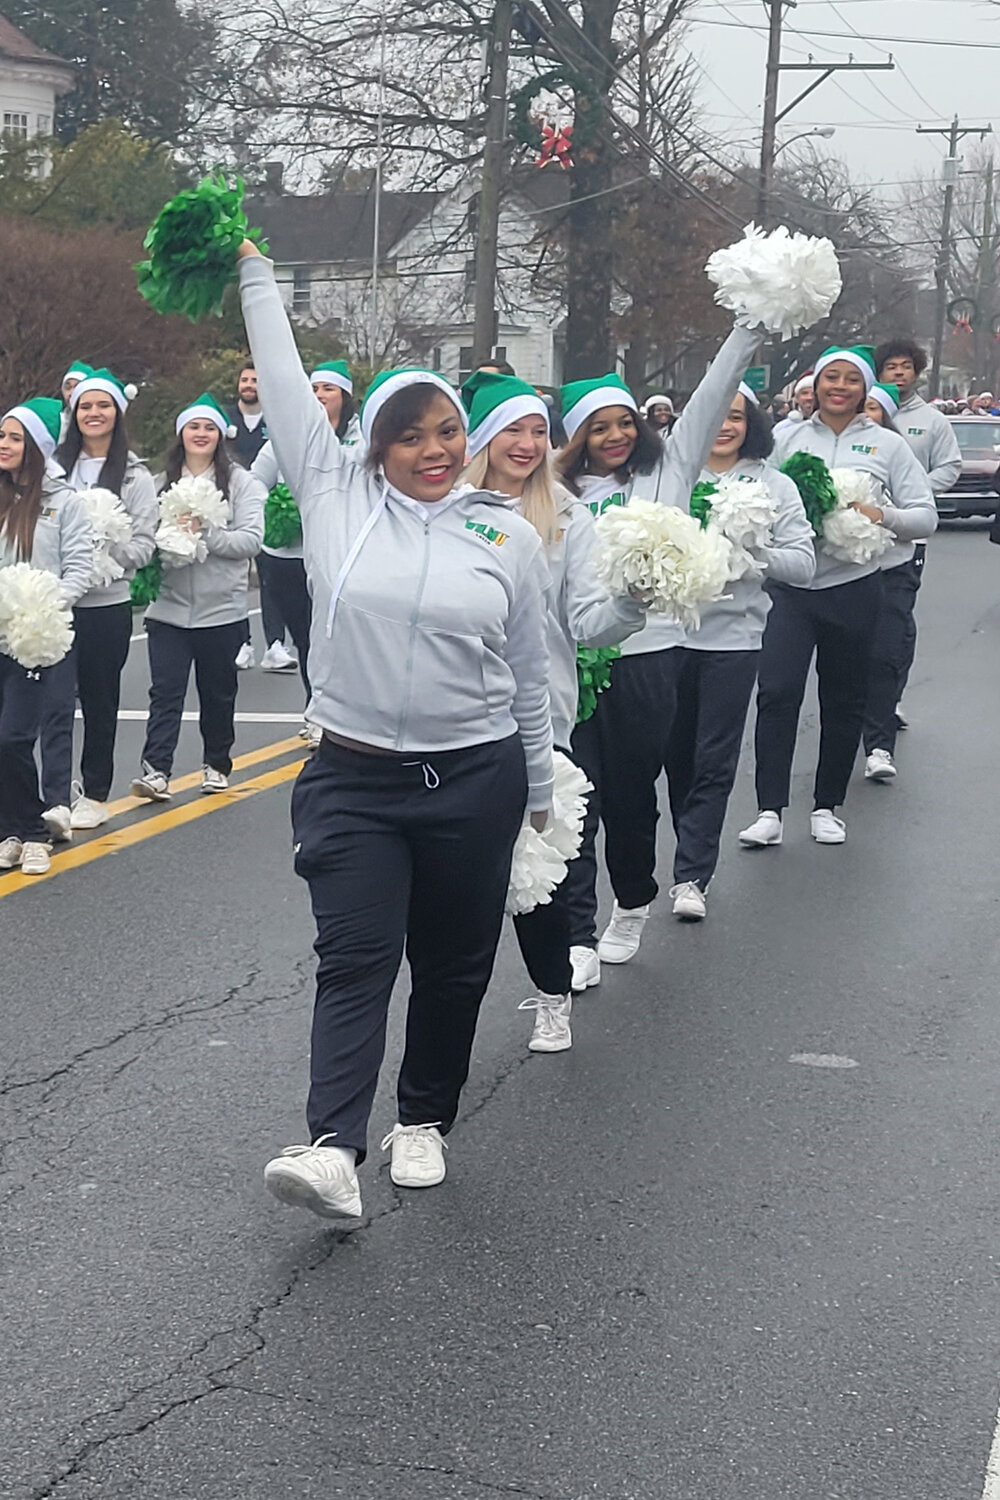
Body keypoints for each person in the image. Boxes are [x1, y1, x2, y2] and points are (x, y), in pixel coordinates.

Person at [238, 240, 552, 1220]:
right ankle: (334, 1146)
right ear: (375, 442)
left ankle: (421, 1120)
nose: (433, 449)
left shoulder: (506, 535)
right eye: (410, 434)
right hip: (352, 779)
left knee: (455, 962)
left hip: (476, 779)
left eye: (447, 432)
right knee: (356, 957)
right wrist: (256, 270)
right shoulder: (335, 501)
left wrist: (538, 790)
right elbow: (287, 386)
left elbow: (531, 672)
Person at [556, 319, 764, 986]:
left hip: (650, 659)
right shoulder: (558, 493)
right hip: (577, 659)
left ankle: (634, 899)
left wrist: (747, 328)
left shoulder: (669, 469)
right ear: (577, 437)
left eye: (623, 423)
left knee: (628, 797)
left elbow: (713, 393)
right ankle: (577, 935)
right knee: (575, 800)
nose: (614, 436)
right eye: (598, 427)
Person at [462, 368, 647, 1052]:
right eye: (513, 429)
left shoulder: (570, 517)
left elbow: (589, 621)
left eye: (539, 430)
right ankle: (452, 1008)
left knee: (536, 874)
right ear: (481, 437)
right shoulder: (445, 511)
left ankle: (551, 992)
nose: (529, 443)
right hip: (454, 722)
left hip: (539, 719)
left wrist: (634, 600)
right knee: (460, 884)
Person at [740, 345, 936, 850]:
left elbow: (925, 517)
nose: (840, 387)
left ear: (865, 388)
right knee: (778, 693)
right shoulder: (785, 438)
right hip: (792, 589)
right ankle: (769, 810)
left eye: (852, 379)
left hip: (854, 588)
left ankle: (827, 806)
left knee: (843, 698)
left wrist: (880, 516)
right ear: (816, 384)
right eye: (832, 377)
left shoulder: (889, 447)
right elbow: (756, 497)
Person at [663, 381, 814, 920]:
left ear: (752, 423)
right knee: (676, 759)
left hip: (735, 641)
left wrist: (756, 553)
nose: (725, 425)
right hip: (665, 638)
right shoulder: (669, 478)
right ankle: (691, 848)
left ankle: (690, 876)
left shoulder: (775, 485)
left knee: (714, 759)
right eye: (716, 415)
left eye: (737, 416)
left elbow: (804, 564)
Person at [37, 368, 158, 837]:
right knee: (51, 700)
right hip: (54, 603)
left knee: (100, 699)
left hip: (107, 605)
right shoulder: (51, 469)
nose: (93, 413)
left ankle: (95, 792)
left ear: (118, 414)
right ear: (73, 412)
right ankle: (54, 797)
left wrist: (105, 547)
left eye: (102, 405)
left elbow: (144, 546)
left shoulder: (135, 475)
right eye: (85, 405)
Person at [131, 393, 264, 801]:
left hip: (221, 609)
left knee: (218, 692)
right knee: (165, 692)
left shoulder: (242, 483)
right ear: (181, 434)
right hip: (168, 610)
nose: (201, 434)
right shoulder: (157, 484)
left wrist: (204, 532)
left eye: (208, 427)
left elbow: (251, 540)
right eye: (194, 427)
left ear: (220, 435)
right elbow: (143, 538)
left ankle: (217, 764)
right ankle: (157, 770)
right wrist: (162, 544)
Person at [0, 399, 93, 875]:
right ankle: (11, 832)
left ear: (36, 447)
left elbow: (80, 568)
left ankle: (34, 833)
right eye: (2, 436)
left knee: (14, 737)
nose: (4, 444)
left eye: (15, 438)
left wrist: (41, 604)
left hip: (36, 637)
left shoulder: (65, 502)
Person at [865, 339, 961, 775]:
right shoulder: (855, 418)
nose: (899, 373)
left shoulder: (931, 420)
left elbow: (950, 466)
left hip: (906, 540)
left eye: (907, 367)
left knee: (894, 625)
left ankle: (888, 702)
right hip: (854, 548)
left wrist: (914, 492)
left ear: (917, 372)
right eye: (891, 366)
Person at [251, 359, 359, 719]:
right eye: (313, 389)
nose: (320, 396)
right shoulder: (287, 437)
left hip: (339, 556)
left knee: (335, 640)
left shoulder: (360, 439)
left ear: (344, 395)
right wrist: (275, 512)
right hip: (286, 558)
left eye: (328, 389)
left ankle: (335, 712)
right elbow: (254, 484)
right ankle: (316, 708)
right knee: (306, 638)